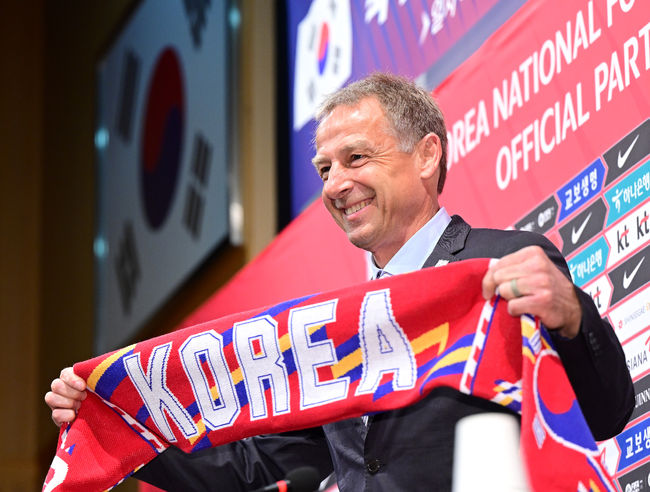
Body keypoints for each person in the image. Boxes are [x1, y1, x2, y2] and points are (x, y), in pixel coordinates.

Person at [46, 73, 633, 491]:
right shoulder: (335, 325)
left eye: (356, 158)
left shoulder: (506, 261)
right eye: (325, 169)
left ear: (427, 156)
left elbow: (606, 414)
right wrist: (113, 423)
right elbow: (246, 468)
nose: (334, 185)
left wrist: (575, 318)